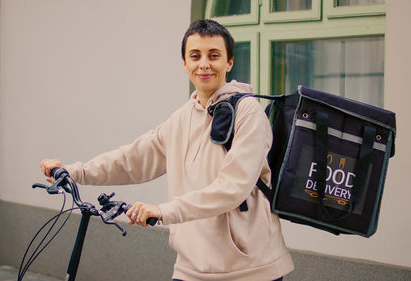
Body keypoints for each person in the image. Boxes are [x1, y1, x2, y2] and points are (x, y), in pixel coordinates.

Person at [41, 19, 294, 281]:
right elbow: (132, 159)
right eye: (195, 56)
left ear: (229, 62)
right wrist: (74, 172)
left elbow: (232, 188)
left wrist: (163, 211)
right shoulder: (180, 119)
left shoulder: (248, 113)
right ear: (185, 64)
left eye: (214, 55)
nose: (204, 64)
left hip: (249, 270)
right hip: (191, 268)